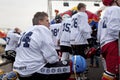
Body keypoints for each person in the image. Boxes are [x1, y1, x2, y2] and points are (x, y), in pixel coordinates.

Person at [13, 12, 71, 80]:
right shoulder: (42, 29)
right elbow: (52, 59)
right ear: (40, 22)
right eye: (47, 20)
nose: (49, 23)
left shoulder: (25, 32)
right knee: (72, 64)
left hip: (19, 70)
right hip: (33, 71)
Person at [97, 0, 120, 80]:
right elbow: (114, 29)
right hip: (112, 43)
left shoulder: (104, 14)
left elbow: (98, 35)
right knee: (112, 72)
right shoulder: (116, 9)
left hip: (105, 44)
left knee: (114, 72)